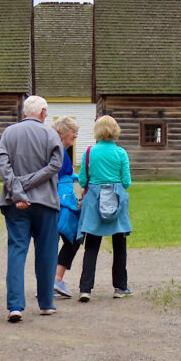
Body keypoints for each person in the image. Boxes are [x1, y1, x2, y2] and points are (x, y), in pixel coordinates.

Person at [0, 95, 63, 322]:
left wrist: (18, 189)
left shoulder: (9, 132)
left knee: (16, 250)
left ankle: (15, 305)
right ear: (43, 112)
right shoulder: (50, 134)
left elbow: (3, 165)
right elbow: (56, 165)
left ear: (24, 113)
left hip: (15, 203)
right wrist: (28, 184)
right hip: (45, 202)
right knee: (46, 253)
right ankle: (45, 303)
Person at [76, 115, 132, 301]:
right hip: (116, 199)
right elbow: (126, 181)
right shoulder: (121, 153)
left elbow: (83, 179)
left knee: (91, 245)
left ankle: (85, 288)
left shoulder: (89, 152)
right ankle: (120, 286)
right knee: (119, 244)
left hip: (94, 200)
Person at [51, 116, 81, 299]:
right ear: (62, 132)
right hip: (62, 204)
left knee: (50, 242)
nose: (76, 135)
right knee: (74, 238)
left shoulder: (57, 150)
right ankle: (56, 278)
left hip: (53, 202)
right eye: (73, 131)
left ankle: (48, 281)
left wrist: (74, 177)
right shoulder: (60, 152)